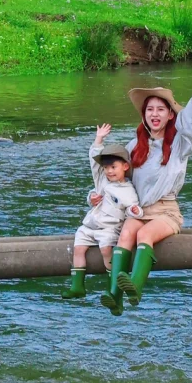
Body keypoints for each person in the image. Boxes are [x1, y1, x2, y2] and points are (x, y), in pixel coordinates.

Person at [100, 56, 192, 315]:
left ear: (170, 115)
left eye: (160, 109)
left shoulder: (181, 143)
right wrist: (98, 195)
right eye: (150, 110)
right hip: (139, 210)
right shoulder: (134, 147)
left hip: (166, 211)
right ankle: (115, 296)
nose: (154, 114)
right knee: (126, 234)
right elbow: (116, 178)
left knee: (144, 236)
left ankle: (135, 288)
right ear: (144, 115)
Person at [63, 125, 143, 299]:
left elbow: (133, 209)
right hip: (90, 225)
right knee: (78, 248)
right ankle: (77, 286)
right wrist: (99, 138)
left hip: (109, 228)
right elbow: (94, 160)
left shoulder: (128, 190)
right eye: (106, 168)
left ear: (125, 166)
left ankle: (112, 286)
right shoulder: (101, 180)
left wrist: (136, 211)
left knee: (106, 250)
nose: (109, 171)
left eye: (113, 167)